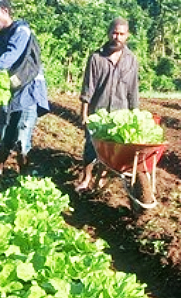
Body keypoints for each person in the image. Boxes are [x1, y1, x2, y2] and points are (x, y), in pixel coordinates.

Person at [0, 0, 50, 180]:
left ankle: (24, 178)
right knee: (4, 135)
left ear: (6, 11)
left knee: (22, 138)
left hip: (28, 90)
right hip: (9, 92)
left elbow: (10, 56)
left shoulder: (21, 31)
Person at [75, 17, 140, 192]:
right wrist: (84, 115)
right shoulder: (96, 58)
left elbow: (133, 91)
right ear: (108, 33)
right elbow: (87, 89)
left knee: (113, 150)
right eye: (114, 32)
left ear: (127, 36)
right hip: (99, 112)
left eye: (121, 34)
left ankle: (102, 177)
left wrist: (136, 115)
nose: (117, 37)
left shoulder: (131, 60)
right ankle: (86, 177)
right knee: (91, 146)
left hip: (120, 115)